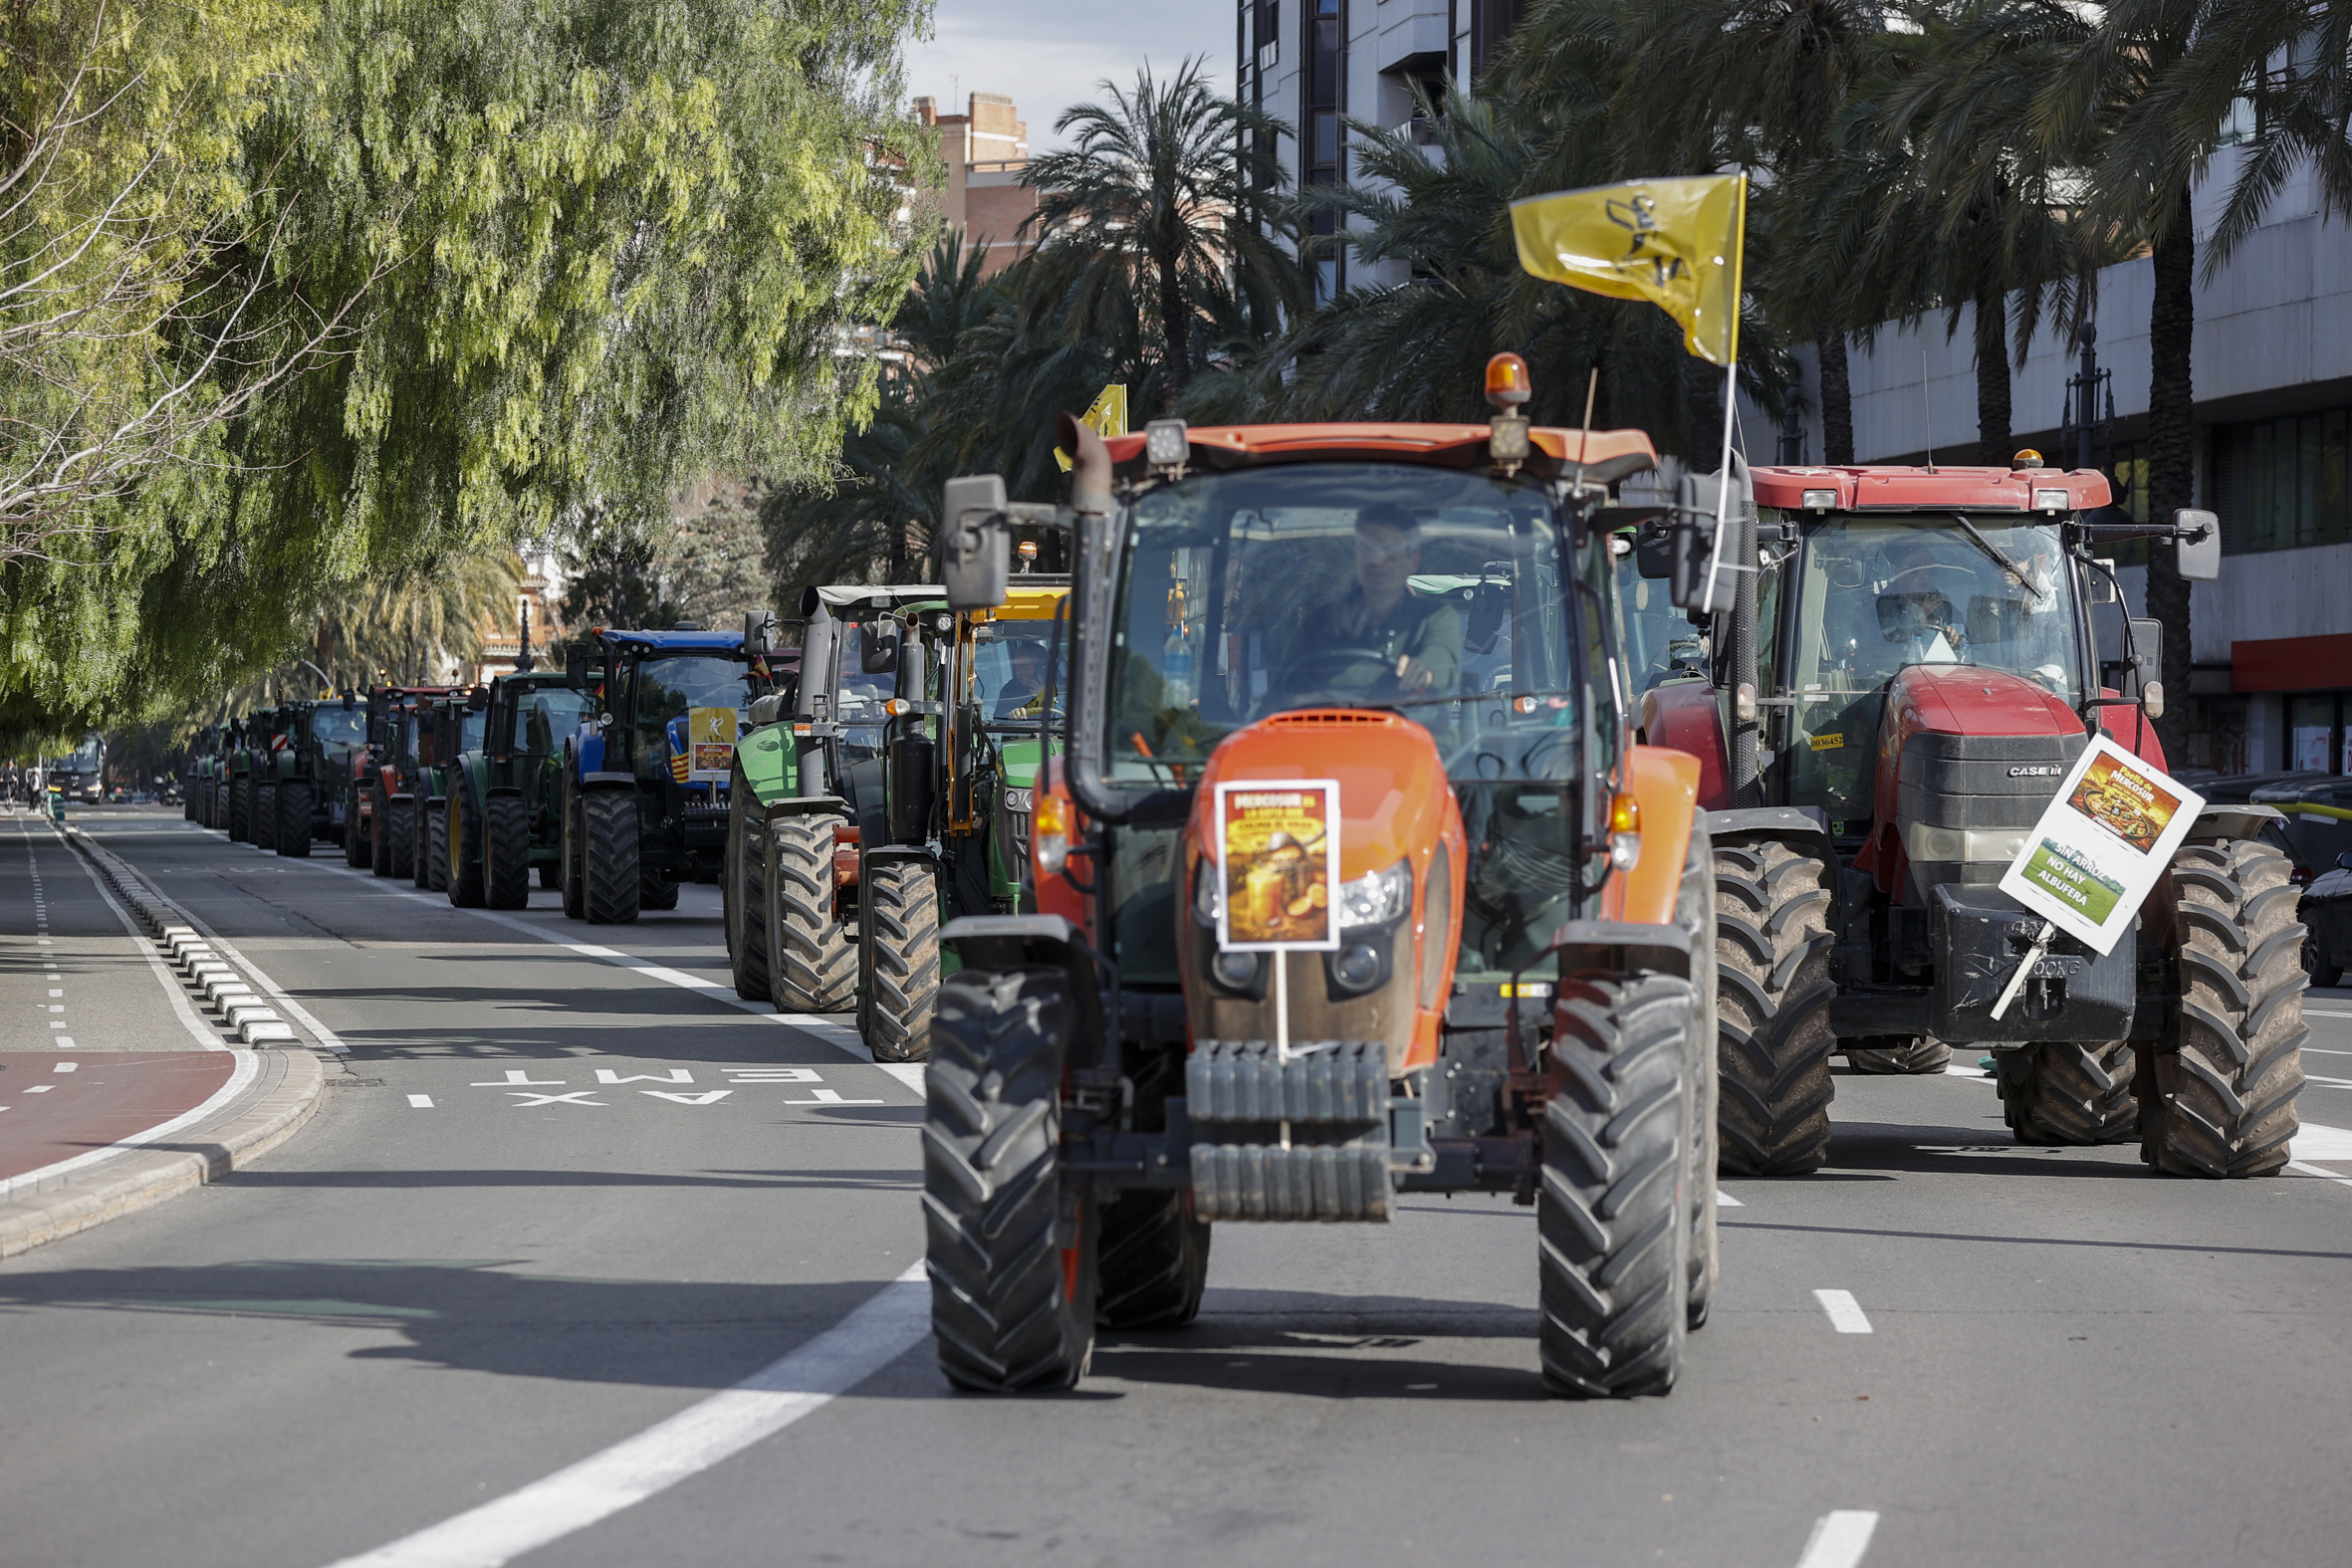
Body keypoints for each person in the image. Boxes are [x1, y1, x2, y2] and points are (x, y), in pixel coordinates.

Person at [1274, 506, 1464, 708]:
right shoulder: (1320, 623)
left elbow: (1443, 659)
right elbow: (1280, 696)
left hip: (1418, 735)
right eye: (1368, 548)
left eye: (1391, 550)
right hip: (1334, 734)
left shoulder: (1435, 618)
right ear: (1357, 556)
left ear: (1413, 561)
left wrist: (1424, 670)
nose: (1377, 560)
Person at [993, 638, 1053, 718]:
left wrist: (1045, 697)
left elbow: (1067, 718)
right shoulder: (1010, 689)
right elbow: (998, 718)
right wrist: (1011, 715)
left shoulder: (1064, 688)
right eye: (1016, 668)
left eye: (1023, 667)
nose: (1017, 673)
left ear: (1041, 667)